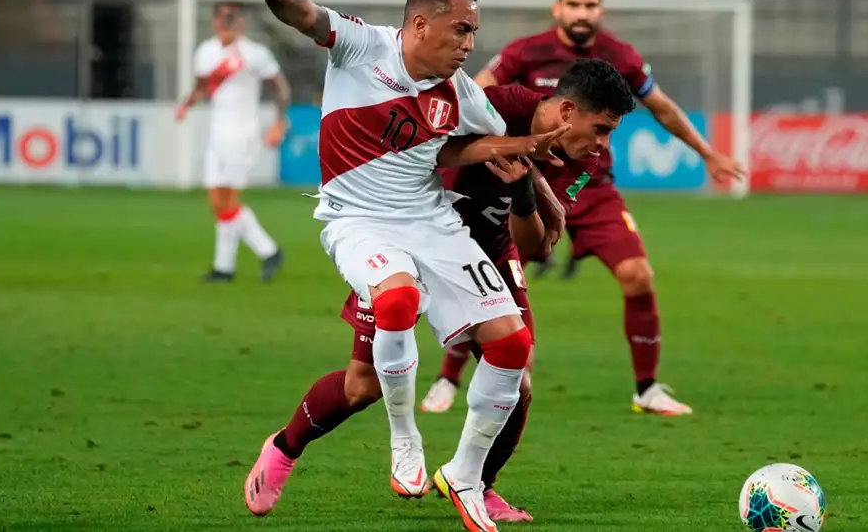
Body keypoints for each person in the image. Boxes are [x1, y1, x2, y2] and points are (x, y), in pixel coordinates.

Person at [233, 0, 565, 530]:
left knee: (512, 345)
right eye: (460, 29)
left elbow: (487, 143)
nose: (468, 44)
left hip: (431, 222)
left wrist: (542, 187)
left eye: (474, 31)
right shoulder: (364, 46)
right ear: (419, 23)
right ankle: (399, 438)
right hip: (358, 221)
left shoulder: (461, 92)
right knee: (396, 303)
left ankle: (465, 476)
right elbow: (302, 13)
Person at [244, 58, 635, 524]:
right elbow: (426, 144)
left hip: (487, 250)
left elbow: (536, 244)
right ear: (568, 111)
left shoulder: (586, 160)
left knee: (518, 371)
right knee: (361, 386)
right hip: (408, 242)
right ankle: (285, 447)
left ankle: (477, 484)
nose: (603, 145)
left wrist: (528, 190)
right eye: (602, 128)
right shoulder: (494, 106)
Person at [421, 0, 745, 417]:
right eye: (573, 5)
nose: (581, 13)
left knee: (638, 275)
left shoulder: (620, 58)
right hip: (519, 174)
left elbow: (662, 107)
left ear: (600, 10)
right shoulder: (525, 52)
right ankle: (447, 378)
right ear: (558, 9)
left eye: (590, 5)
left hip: (591, 188)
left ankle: (647, 388)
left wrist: (707, 153)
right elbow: (475, 93)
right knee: (489, 276)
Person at [177, 1, 289, 283]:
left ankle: (244, 259)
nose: (229, 23)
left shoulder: (255, 53)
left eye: (234, 18)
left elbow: (280, 87)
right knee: (218, 201)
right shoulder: (205, 52)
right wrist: (187, 104)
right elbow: (202, 86)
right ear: (215, 21)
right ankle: (237, 262)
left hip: (242, 134)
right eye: (224, 17)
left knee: (226, 199)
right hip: (217, 133)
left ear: (241, 22)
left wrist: (279, 121)